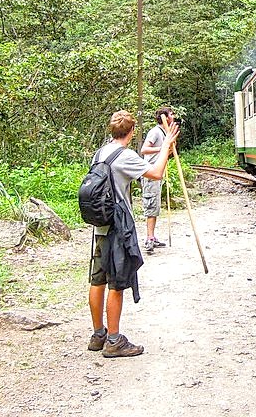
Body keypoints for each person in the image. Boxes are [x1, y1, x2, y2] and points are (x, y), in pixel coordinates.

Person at [87, 109, 179, 358]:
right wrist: (167, 145)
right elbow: (156, 173)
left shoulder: (100, 152)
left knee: (97, 281)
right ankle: (114, 341)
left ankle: (98, 335)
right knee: (116, 284)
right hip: (118, 227)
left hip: (100, 226)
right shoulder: (124, 156)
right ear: (131, 132)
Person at [139, 106, 175, 254]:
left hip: (157, 173)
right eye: (171, 114)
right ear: (164, 117)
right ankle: (149, 238)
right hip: (150, 173)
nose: (173, 116)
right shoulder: (155, 132)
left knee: (155, 206)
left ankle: (152, 236)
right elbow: (144, 149)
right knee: (151, 205)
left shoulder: (164, 132)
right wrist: (162, 149)